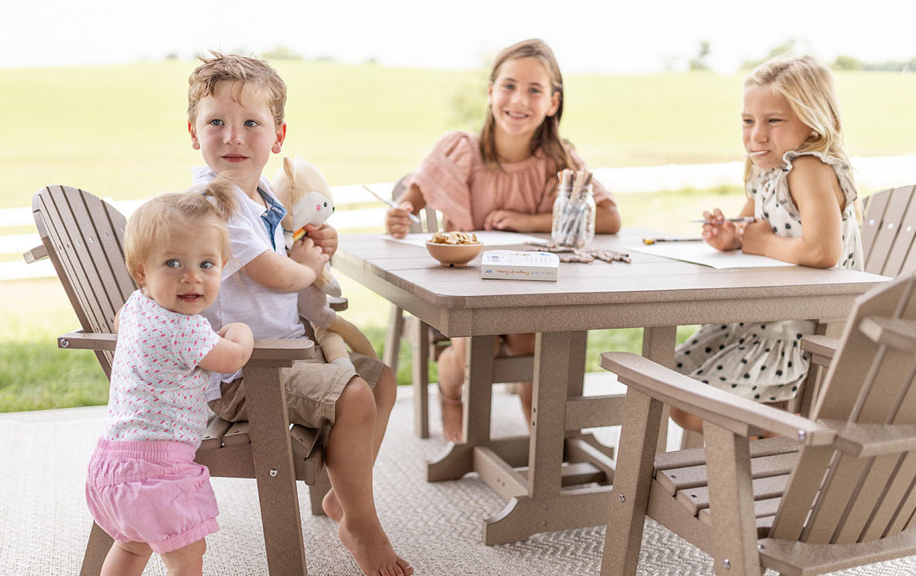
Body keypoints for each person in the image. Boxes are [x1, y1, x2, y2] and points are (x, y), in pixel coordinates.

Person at [185, 52, 412, 576]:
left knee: (378, 382)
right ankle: (362, 523)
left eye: (250, 124)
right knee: (354, 394)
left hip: (285, 355)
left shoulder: (260, 199)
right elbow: (274, 275)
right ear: (194, 133)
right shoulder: (213, 204)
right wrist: (304, 265)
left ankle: (340, 498)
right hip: (244, 371)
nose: (234, 137)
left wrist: (311, 246)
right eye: (216, 121)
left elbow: (287, 263)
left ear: (278, 137)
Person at [384, 38, 621, 442]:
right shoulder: (459, 149)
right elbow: (409, 201)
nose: (519, 99)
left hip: (528, 287)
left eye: (534, 90)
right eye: (509, 85)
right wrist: (399, 217)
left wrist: (526, 220)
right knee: (478, 349)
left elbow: (610, 218)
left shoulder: (561, 161)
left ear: (553, 103)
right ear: (491, 91)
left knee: (532, 343)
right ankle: (451, 390)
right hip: (464, 290)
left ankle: (541, 438)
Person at [670, 54, 864, 434]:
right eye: (748, 121)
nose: (756, 134)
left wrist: (762, 243)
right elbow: (751, 230)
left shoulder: (808, 166)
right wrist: (731, 238)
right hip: (759, 319)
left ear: (812, 120)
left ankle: (780, 450)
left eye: (773, 121)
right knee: (675, 386)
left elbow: (824, 252)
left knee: (694, 408)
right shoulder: (769, 171)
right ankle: (763, 453)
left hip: (800, 330)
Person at [85, 181, 256, 576]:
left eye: (206, 265)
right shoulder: (188, 331)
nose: (192, 278)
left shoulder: (134, 306)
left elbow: (118, 325)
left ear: (222, 266)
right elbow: (235, 357)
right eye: (174, 264)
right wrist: (239, 329)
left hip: (111, 463)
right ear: (141, 271)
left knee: (131, 548)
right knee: (187, 558)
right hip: (159, 469)